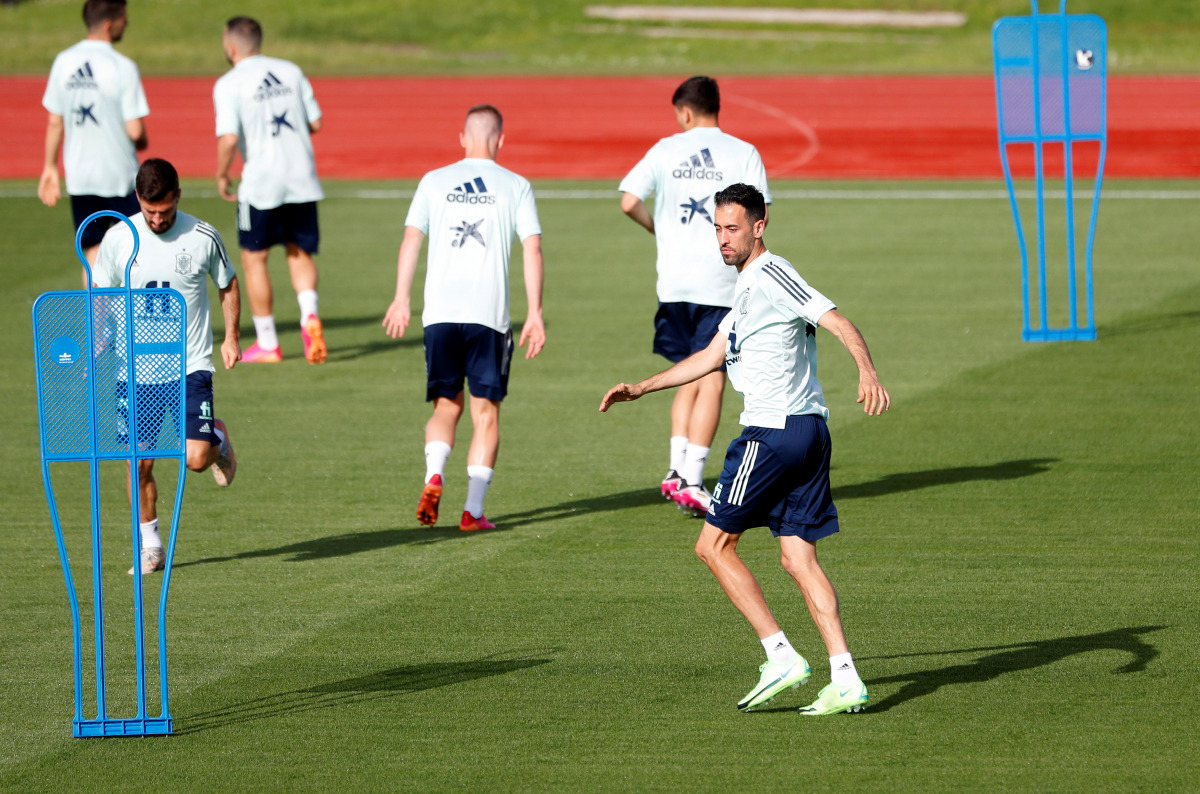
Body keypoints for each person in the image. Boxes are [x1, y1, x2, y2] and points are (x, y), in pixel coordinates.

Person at [600, 184, 890, 715]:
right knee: (798, 557)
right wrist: (642, 386)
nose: (722, 239)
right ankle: (845, 675)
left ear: (759, 227)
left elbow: (837, 320)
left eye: (732, 228)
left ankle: (780, 655)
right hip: (807, 434)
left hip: (772, 435)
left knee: (712, 547)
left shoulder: (774, 274)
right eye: (717, 228)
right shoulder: (745, 291)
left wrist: (867, 371)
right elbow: (710, 356)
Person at [383, 105, 545, 532]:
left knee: (445, 406)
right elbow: (532, 248)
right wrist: (536, 313)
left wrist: (401, 299)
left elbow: (411, 239)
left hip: (440, 313)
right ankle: (472, 511)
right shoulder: (516, 185)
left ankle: (433, 474)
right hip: (488, 316)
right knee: (485, 413)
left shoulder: (433, 181)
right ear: (501, 140)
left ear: (462, 138)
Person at [618, 75, 772, 518]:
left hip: (673, 283)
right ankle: (692, 478)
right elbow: (761, 216)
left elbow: (629, 200)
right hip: (719, 282)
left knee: (684, 372)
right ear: (715, 107)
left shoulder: (665, 149)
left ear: (684, 112)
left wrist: (659, 231)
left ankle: (675, 471)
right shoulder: (743, 152)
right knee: (714, 376)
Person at [94, 158, 242, 574]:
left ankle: (219, 440)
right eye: (149, 210)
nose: (157, 219)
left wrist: (231, 337)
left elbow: (228, 284)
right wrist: (99, 337)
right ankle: (150, 545)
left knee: (196, 459)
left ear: (178, 196)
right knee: (137, 462)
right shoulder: (119, 239)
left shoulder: (202, 236)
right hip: (134, 372)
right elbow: (102, 291)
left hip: (190, 367)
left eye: (165, 210)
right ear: (138, 198)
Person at [213, 16, 326, 364]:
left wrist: (221, 173)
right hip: (302, 178)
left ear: (231, 46)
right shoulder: (290, 70)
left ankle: (267, 342)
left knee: (254, 259)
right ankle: (309, 315)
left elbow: (229, 137)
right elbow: (316, 122)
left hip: (262, 182)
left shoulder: (229, 83)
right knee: (299, 252)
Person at [39, 0, 149, 283]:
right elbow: (136, 131)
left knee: (95, 252)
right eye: (125, 19)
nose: (128, 23)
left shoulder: (63, 61)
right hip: (119, 175)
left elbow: (54, 121)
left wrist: (50, 167)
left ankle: (98, 329)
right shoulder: (122, 66)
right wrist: (142, 139)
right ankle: (135, 323)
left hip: (81, 176)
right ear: (111, 23)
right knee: (139, 250)